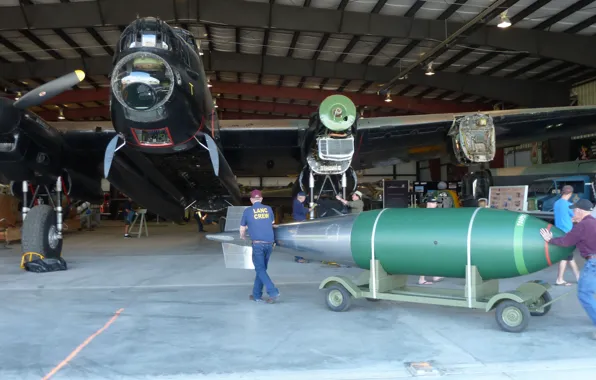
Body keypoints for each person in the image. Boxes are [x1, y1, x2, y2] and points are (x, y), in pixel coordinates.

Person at [540, 199, 596, 339]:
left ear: (580, 211)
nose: (572, 212)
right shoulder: (593, 222)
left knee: (584, 293)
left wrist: (550, 239)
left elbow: (566, 242)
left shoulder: (582, 225)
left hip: (593, 263)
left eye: (574, 210)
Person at [240, 189, 280, 304]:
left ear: (251, 200)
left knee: (260, 269)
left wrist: (243, 236)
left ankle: (273, 292)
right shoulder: (268, 209)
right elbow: (271, 222)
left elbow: (242, 228)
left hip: (258, 244)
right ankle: (256, 294)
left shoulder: (248, 211)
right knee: (261, 269)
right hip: (269, 243)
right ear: (261, 199)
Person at [553, 185, 581, 286]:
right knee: (566, 256)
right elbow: (576, 217)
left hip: (559, 232)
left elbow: (562, 216)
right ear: (570, 194)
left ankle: (578, 277)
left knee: (569, 256)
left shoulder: (556, 203)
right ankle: (559, 279)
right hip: (567, 233)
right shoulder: (569, 205)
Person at [419, 196, 443, 285]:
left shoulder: (433, 213)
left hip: (431, 238)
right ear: (428, 203)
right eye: (433, 203)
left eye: (436, 203)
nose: (435, 204)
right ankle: (422, 279)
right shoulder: (425, 213)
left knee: (433, 256)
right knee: (425, 258)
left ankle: (435, 275)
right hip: (425, 239)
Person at [292, 192, 313, 263]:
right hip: (299, 222)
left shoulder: (297, 202)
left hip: (300, 222)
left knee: (300, 239)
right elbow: (302, 211)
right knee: (299, 239)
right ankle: (298, 258)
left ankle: (300, 256)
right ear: (302, 198)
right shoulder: (297, 203)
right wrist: (309, 210)